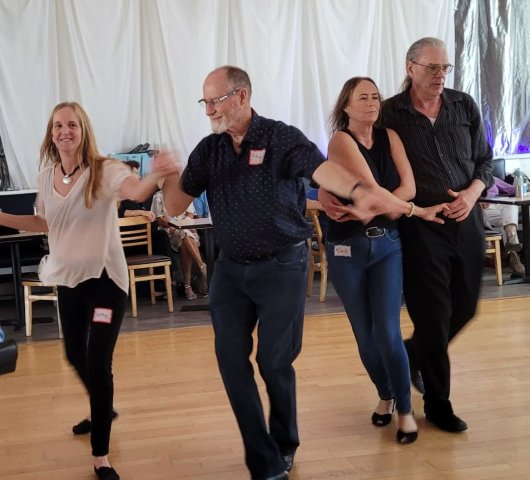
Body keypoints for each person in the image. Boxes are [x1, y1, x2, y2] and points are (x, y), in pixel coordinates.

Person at [160, 66, 433, 480]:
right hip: (230, 272)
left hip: (282, 266)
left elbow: (321, 170)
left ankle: (284, 443)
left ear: (242, 96)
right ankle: (264, 458)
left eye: (216, 101)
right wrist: (165, 175)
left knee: (274, 362)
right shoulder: (209, 150)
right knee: (230, 360)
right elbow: (175, 205)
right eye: (205, 102)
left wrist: (358, 191)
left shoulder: (279, 137)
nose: (209, 110)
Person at [0, 102, 176, 480]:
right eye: (58, 126)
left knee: (98, 362)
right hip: (69, 281)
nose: (65, 131)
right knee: (74, 355)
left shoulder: (105, 170)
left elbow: (136, 190)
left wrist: (157, 175)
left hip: (105, 284)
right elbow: (44, 222)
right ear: (51, 134)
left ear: (84, 131)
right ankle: (102, 407)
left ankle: (101, 456)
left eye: (72, 125)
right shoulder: (46, 176)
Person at [323, 76, 451, 445]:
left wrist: (384, 207)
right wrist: (412, 210)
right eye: (362, 97)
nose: (371, 103)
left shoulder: (390, 137)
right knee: (365, 336)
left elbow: (407, 187)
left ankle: (405, 412)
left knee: (389, 332)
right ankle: (386, 394)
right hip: (347, 249)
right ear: (346, 106)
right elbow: (372, 190)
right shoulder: (340, 140)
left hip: (388, 245)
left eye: (375, 97)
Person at [378, 37, 493, 432]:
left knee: (466, 308)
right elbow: (369, 159)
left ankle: (411, 354)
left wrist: (473, 193)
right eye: (432, 67)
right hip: (420, 225)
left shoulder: (463, 105)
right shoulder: (390, 113)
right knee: (432, 316)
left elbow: (484, 162)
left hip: (466, 220)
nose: (440, 75)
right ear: (410, 68)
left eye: (445, 67)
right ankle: (438, 405)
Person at [150, 187, 208, 299]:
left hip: (186, 230)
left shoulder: (185, 193)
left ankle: (188, 286)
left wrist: (182, 224)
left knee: (184, 234)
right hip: (169, 232)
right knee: (183, 234)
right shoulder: (158, 196)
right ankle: (201, 266)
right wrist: (172, 225)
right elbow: (159, 219)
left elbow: (190, 214)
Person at [482, 176, 524, 276]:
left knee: (511, 205)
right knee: (507, 220)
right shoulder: (465, 178)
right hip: (482, 209)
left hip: (497, 205)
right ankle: (513, 255)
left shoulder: (491, 178)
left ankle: (512, 240)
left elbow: (512, 189)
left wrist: (521, 185)